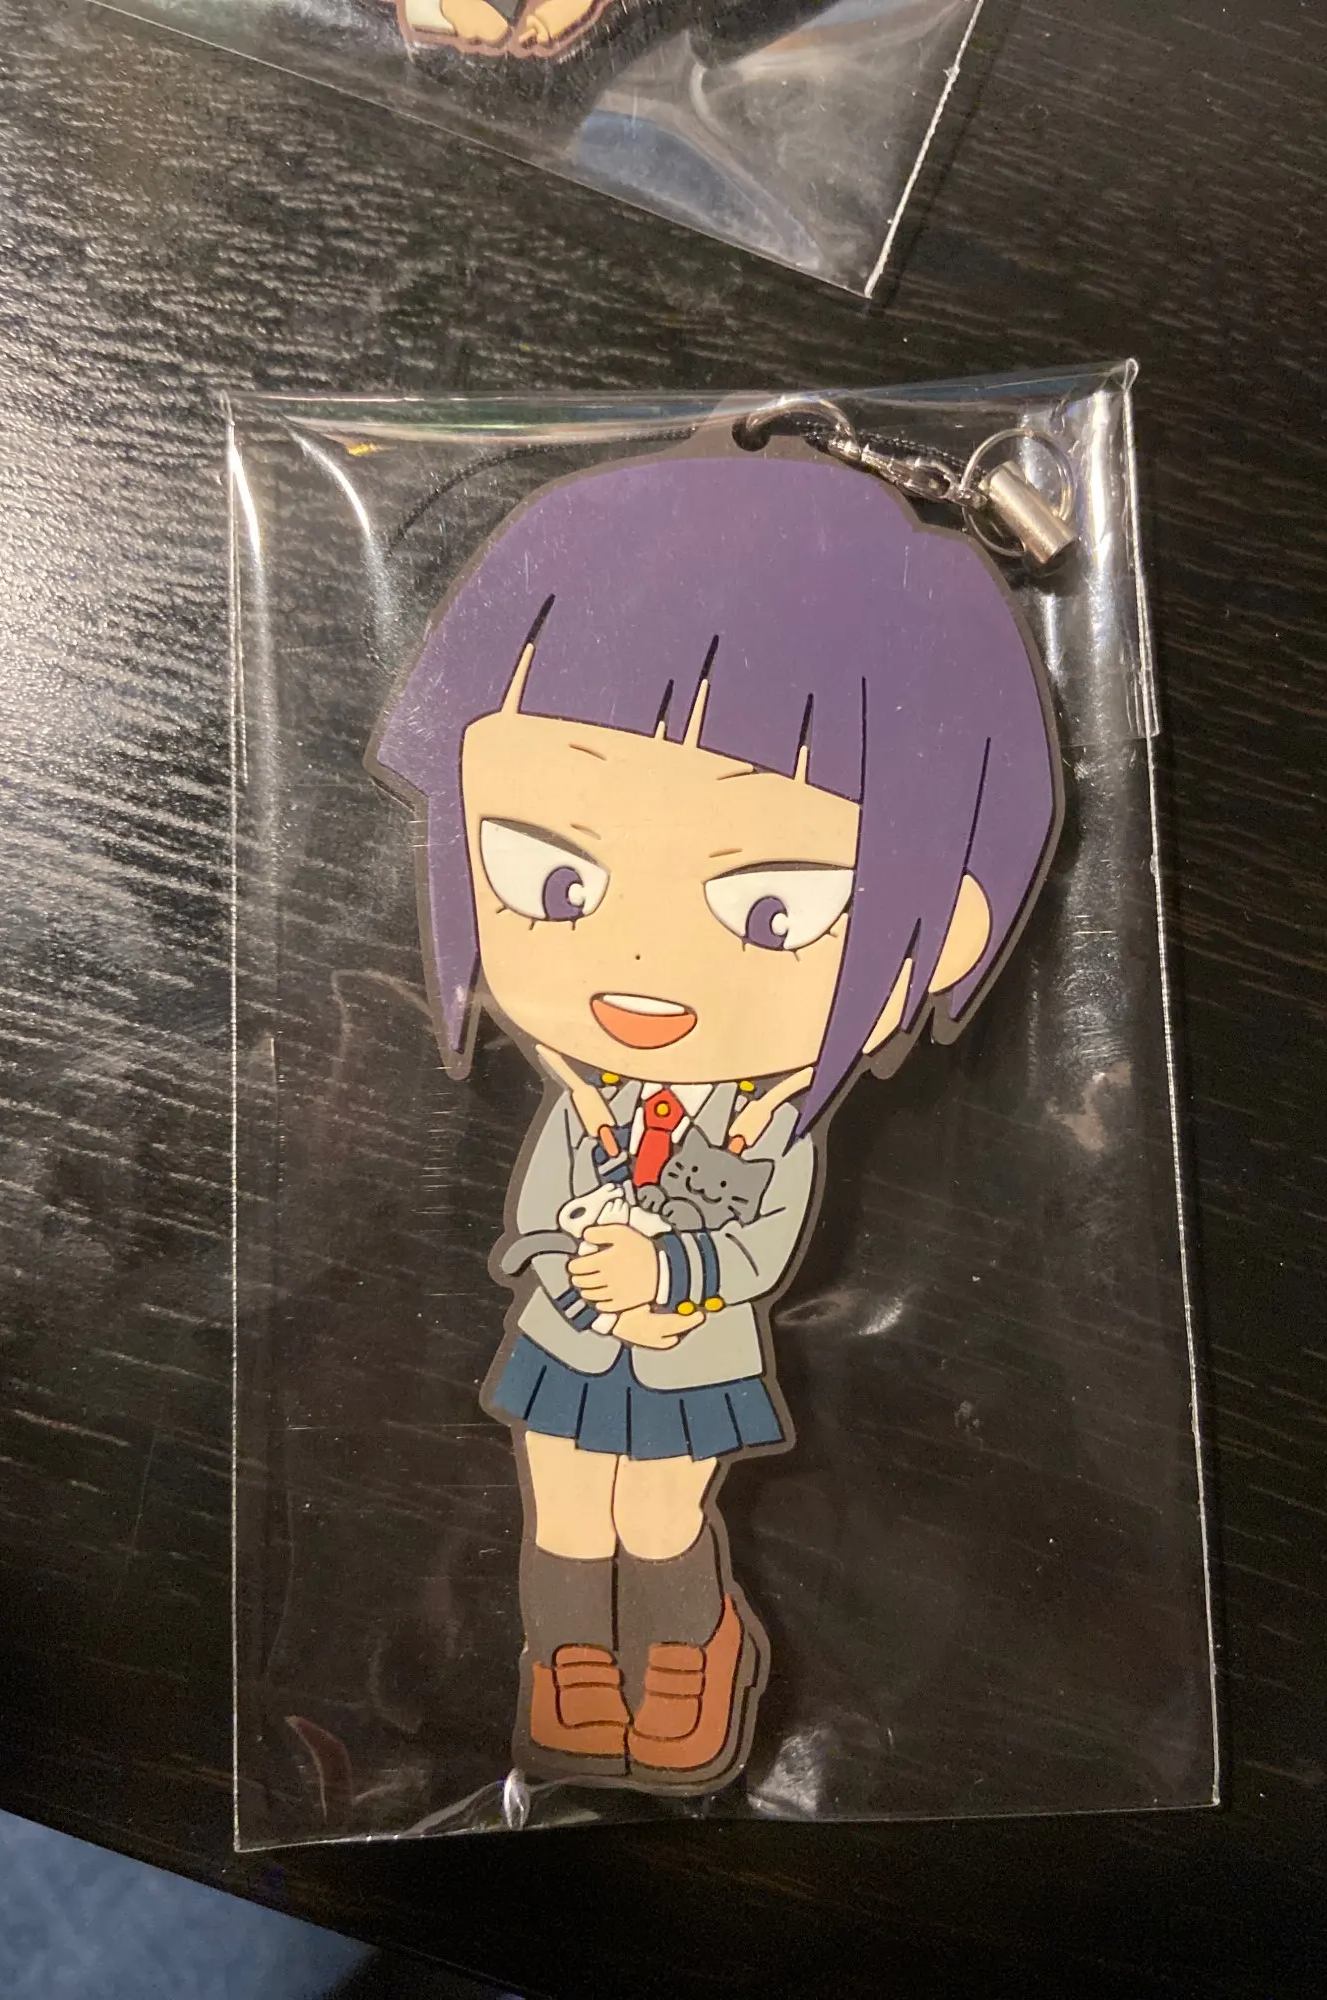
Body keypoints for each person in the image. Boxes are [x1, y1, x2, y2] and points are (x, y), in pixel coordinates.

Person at [370, 437, 1060, 1792]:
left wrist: (667, 1271)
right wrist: (566, 1250)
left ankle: (686, 1663)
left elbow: (758, 1243)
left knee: (658, 1509)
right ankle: (573, 1678)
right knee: (566, 1506)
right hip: (569, 1332)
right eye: (553, 880)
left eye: (772, 907)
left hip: (690, 1354)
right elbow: (539, 1209)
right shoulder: (591, 1100)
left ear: (947, 927)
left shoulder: (770, 1128)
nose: (637, 964)